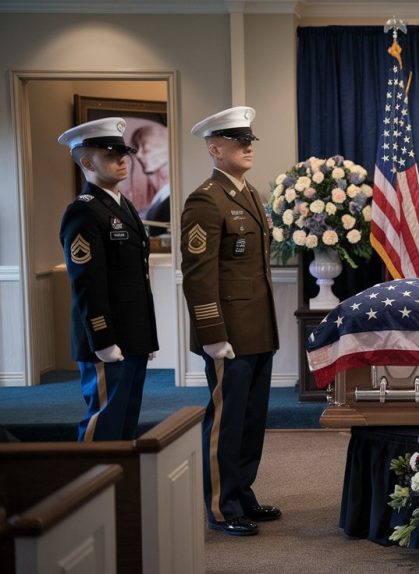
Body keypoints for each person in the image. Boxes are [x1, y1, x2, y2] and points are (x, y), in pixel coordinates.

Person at [181, 106, 280, 536]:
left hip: (258, 328)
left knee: (252, 418)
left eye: (248, 141)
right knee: (226, 420)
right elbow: (198, 276)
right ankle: (222, 505)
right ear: (214, 148)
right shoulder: (206, 199)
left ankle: (244, 491)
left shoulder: (250, 193)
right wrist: (212, 335)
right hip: (229, 335)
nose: (246, 147)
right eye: (237, 141)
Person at [57, 117, 158, 442]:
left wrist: (144, 334)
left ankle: (121, 493)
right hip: (107, 339)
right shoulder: (83, 212)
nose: (121, 160)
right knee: (103, 427)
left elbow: (135, 278)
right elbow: (87, 284)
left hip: (131, 335)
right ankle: (93, 492)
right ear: (86, 161)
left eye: (122, 153)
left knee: (125, 427)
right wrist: (102, 339)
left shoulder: (123, 205)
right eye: (110, 155)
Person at [129, 123, 171, 236]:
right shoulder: (161, 195)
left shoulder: (171, 196)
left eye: (145, 147)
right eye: (138, 148)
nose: (138, 155)